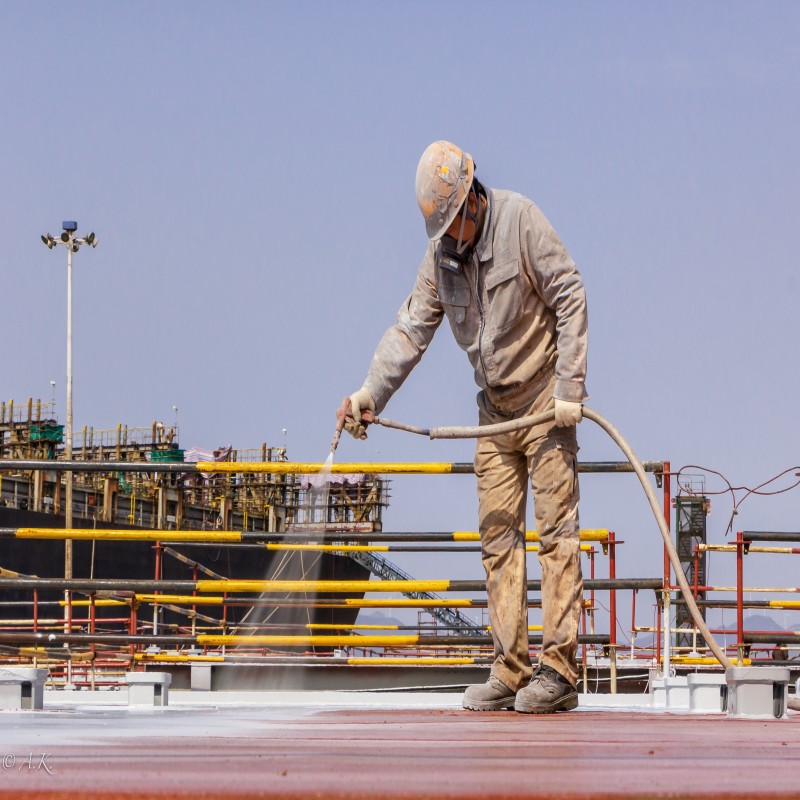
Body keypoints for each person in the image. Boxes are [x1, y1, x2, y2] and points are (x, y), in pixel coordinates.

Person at [341, 140, 588, 714]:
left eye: (455, 224)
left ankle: (558, 673)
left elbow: (571, 295)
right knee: (498, 539)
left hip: (546, 406)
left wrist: (570, 387)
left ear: (473, 199)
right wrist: (367, 394)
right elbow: (409, 331)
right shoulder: (440, 261)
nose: (451, 237)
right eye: (443, 230)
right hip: (495, 414)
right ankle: (510, 668)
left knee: (556, 537)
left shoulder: (521, 220)